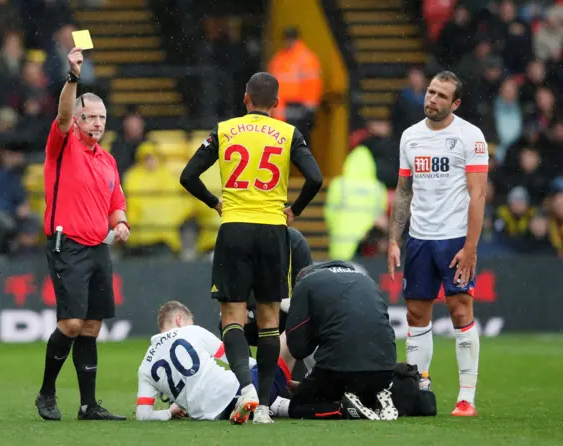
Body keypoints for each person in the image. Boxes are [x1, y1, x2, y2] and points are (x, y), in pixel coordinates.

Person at [180, 72, 323, 424]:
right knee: (271, 321)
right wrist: (295, 210)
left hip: (235, 228)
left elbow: (187, 176)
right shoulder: (290, 134)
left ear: (245, 98)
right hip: (273, 230)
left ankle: (246, 388)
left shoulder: (225, 130)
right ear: (276, 104)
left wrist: (215, 203)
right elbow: (316, 178)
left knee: (233, 317)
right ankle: (262, 408)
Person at [34, 47, 130, 421]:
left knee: (91, 326)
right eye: (89, 116)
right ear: (76, 120)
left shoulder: (107, 160)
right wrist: (74, 76)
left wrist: (120, 222)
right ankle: (46, 393)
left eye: (102, 117)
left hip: (98, 249)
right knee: (71, 323)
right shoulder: (62, 144)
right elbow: (60, 114)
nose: (97, 123)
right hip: (67, 245)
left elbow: (115, 202)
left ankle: (89, 405)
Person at [387, 71, 488, 417]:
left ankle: (466, 397)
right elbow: (403, 192)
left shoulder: (469, 137)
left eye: (442, 96)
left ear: (455, 103)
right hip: (418, 240)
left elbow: (478, 194)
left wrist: (471, 247)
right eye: (431, 92)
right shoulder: (410, 137)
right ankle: (419, 386)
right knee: (416, 314)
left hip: (455, 239)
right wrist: (394, 240)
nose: (432, 99)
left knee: (461, 311)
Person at [135, 301, 295, 421]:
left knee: (276, 403)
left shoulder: (145, 368)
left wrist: (169, 412)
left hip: (213, 415)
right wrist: (264, 372)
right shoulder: (191, 331)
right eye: (190, 319)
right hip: (236, 390)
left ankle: (284, 405)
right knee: (293, 331)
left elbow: (143, 415)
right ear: (179, 319)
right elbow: (234, 358)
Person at [284, 261, 398, 421]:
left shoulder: (306, 282)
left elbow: (298, 348)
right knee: (357, 381)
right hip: (385, 370)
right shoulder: (367, 280)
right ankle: (374, 399)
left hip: (340, 370)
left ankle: (344, 408)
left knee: (299, 406)